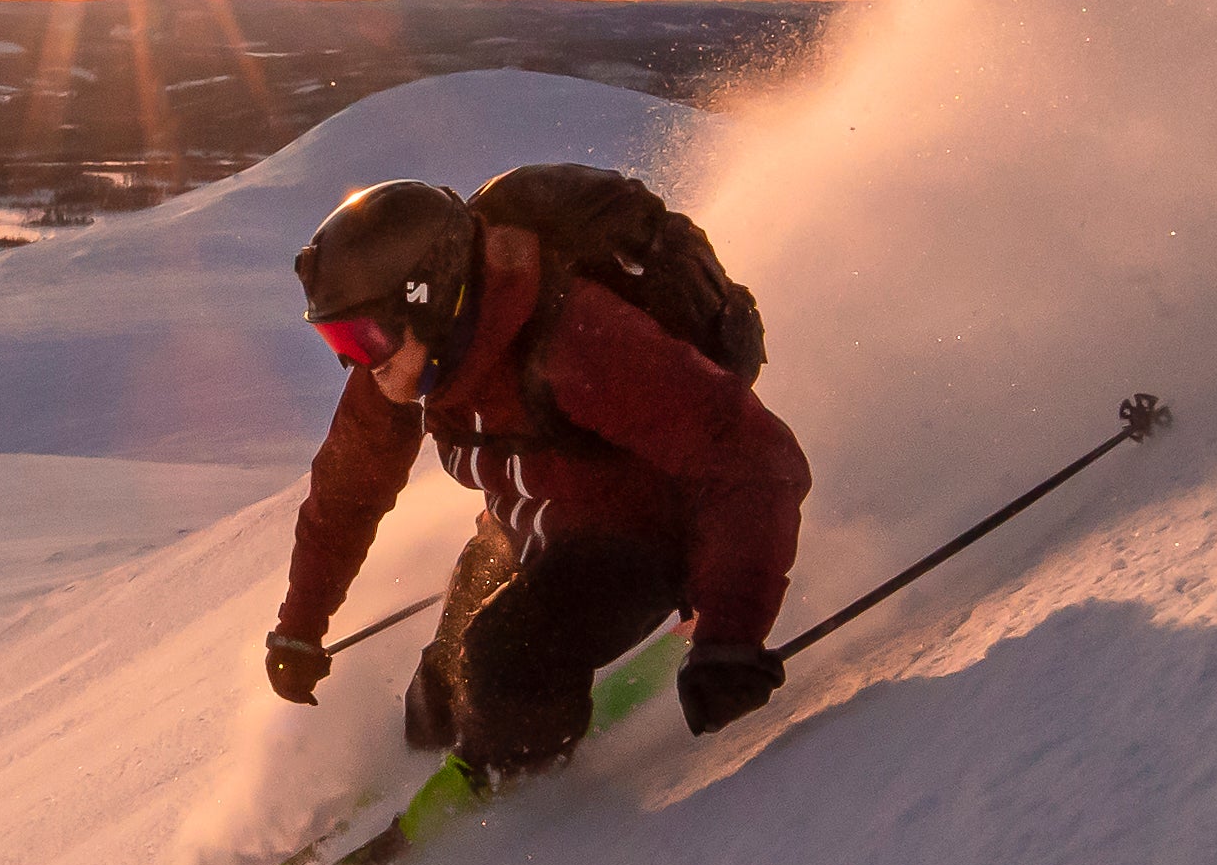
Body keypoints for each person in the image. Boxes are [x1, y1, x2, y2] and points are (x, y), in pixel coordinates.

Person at [263, 175, 809, 780]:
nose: (355, 361)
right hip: (534, 531)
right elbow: (344, 495)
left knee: (503, 669)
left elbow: (753, 455)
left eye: (363, 336)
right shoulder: (403, 367)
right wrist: (299, 628)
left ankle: (529, 811)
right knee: (438, 699)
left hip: (652, 531)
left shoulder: (576, 340)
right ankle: (474, 752)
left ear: (426, 302)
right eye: (336, 339)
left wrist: (730, 635)